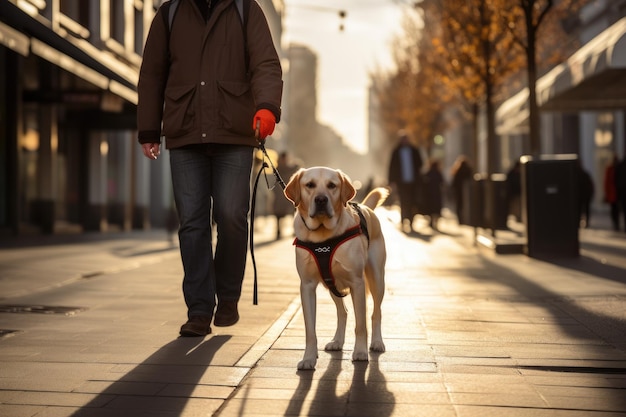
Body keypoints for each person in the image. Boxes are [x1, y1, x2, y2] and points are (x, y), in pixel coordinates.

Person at [136, 0, 283, 337]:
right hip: (185, 131)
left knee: (232, 215)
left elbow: (266, 63)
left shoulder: (246, 9)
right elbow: (152, 72)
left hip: (234, 131)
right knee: (192, 223)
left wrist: (267, 107)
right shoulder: (169, 13)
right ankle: (199, 310)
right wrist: (148, 128)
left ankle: (228, 295)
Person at [388, 131, 424, 232]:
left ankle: (411, 223)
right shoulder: (396, 152)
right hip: (401, 183)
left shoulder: (414, 151)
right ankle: (403, 221)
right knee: (403, 202)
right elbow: (391, 167)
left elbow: (420, 164)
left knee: (412, 203)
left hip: (413, 182)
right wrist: (391, 181)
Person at [272, 151, 299, 239]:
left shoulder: (280, 168)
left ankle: (294, 230)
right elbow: (292, 168)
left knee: (293, 211)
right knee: (278, 215)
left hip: (288, 193)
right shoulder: (278, 168)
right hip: (279, 194)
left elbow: (293, 169)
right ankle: (278, 231)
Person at [450, 155, 473, 224]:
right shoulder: (468, 170)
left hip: (458, 191)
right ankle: (466, 219)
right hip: (467, 191)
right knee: (465, 204)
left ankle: (460, 220)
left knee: (459, 205)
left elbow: (454, 183)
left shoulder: (457, 171)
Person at [424, 158, 445, 230]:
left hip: (429, 194)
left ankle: (432, 222)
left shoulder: (429, 173)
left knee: (431, 209)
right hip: (437, 193)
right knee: (436, 209)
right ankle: (435, 223)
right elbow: (442, 182)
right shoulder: (438, 173)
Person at [603, 154, 620, 231]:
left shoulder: (619, 168)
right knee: (614, 210)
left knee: (616, 210)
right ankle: (616, 224)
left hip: (618, 193)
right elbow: (607, 182)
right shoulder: (610, 169)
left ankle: (617, 224)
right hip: (613, 194)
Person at [577, 160, 594, 228]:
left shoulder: (581, 175)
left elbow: (590, 185)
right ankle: (585, 222)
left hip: (583, 195)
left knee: (582, 210)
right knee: (584, 210)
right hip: (584, 196)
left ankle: (584, 222)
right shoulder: (584, 174)